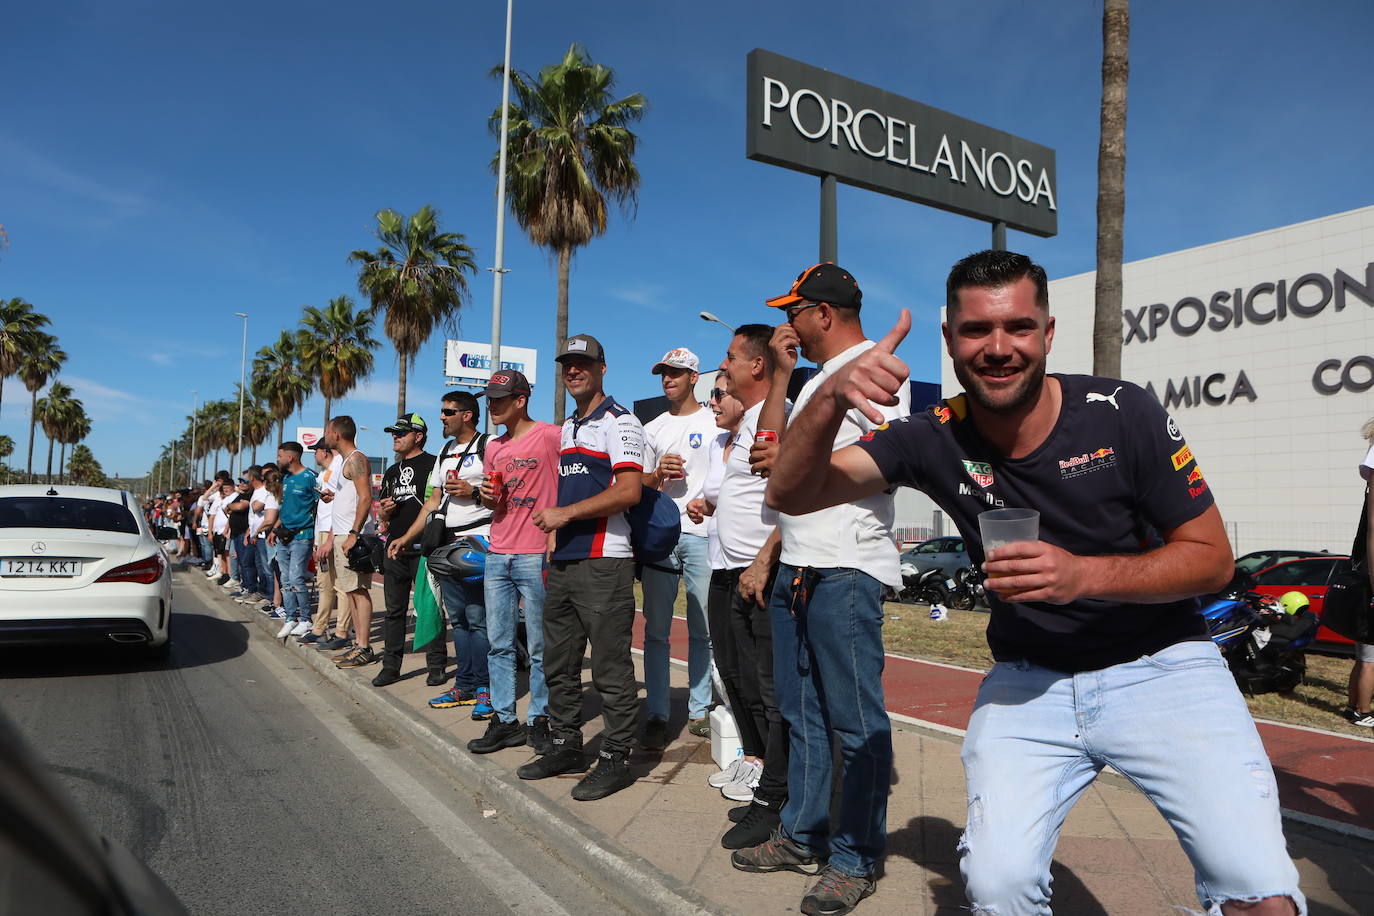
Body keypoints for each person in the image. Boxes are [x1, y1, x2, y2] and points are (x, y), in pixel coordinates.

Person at [767, 250, 1304, 915]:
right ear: (950, 340)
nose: (998, 348)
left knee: (1260, 895)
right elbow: (791, 494)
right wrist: (829, 396)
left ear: (1047, 332)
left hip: (1163, 663)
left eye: (1018, 327)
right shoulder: (932, 436)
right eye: (976, 330)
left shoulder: (1121, 412)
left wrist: (1081, 574)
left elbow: (1212, 560)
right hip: (1029, 679)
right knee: (998, 886)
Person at [730, 263, 909, 916]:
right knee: (800, 715)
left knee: (856, 722)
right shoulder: (812, 382)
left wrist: (796, 459)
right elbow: (783, 475)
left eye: (795, 312)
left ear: (824, 313)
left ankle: (855, 859)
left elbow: (886, 466)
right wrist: (782, 377)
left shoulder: (876, 369)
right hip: (799, 566)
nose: (789, 324)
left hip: (846, 567)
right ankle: (802, 834)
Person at [516, 333, 645, 802]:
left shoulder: (621, 422)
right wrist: (555, 534)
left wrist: (564, 516)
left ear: (601, 369)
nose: (573, 370)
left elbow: (629, 492)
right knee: (559, 663)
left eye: (583, 363)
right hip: (566, 562)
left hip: (605, 561)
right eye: (567, 364)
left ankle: (615, 758)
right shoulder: (569, 426)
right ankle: (566, 746)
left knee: (610, 668)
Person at [704, 326, 794, 847]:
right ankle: (765, 780)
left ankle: (777, 800)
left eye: (731, 357)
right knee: (739, 679)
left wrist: (764, 560)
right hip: (732, 571)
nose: (725, 366)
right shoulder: (748, 423)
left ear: (757, 366)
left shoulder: (776, 418)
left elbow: (793, 498)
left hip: (762, 574)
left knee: (771, 690)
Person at [467, 370, 562, 755]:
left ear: (520, 400)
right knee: (499, 644)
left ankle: (540, 718)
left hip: (535, 553)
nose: (492, 406)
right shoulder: (493, 446)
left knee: (540, 645)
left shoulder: (551, 436)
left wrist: (560, 526)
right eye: (489, 399)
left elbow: (574, 479)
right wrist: (487, 497)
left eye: (499, 399)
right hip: (498, 551)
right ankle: (505, 720)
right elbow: (496, 500)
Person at [390, 392, 493, 709]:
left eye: (448, 412)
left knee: (478, 619)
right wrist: (406, 537)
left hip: (479, 541)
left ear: (467, 415)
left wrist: (473, 492)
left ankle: (485, 689)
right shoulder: (446, 451)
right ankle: (464, 685)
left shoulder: (489, 446)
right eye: (442, 411)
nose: (442, 417)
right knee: (458, 621)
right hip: (447, 545)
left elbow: (501, 493)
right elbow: (433, 502)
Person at [640, 347, 718, 747]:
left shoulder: (714, 421)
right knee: (656, 630)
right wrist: (657, 473)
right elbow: (638, 484)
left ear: (694, 377)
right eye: (663, 373)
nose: (668, 379)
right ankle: (657, 711)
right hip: (661, 536)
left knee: (703, 630)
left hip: (702, 536)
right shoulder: (652, 428)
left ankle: (699, 709)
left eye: (675, 372)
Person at [372, 413, 437, 688]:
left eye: (401, 433)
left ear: (418, 436)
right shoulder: (391, 471)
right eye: (393, 433)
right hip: (395, 549)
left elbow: (436, 504)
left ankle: (436, 666)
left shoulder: (434, 464)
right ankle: (391, 667)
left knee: (430, 609)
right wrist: (385, 513)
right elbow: (383, 520)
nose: (395, 438)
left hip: (426, 548)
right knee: (393, 612)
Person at [323, 416, 377, 669]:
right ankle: (358, 645)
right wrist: (333, 496)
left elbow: (366, 497)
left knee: (359, 590)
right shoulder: (346, 461)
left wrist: (354, 533)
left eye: (327, 431)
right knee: (350, 591)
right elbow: (353, 495)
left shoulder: (356, 459)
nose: (325, 435)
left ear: (336, 434)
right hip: (344, 534)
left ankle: (364, 647)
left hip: (352, 535)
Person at [303, 444, 349, 648]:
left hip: (335, 530)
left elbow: (343, 502)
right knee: (324, 582)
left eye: (316, 450)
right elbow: (323, 505)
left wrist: (330, 539)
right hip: (322, 531)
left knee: (341, 584)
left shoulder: (341, 464)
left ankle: (342, 631)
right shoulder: (324, 472)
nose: (315, 454)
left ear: (325, 450)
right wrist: (317, 541)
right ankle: (319, 627)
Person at [271, 442, 319, 636]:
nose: (277, 459)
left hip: (302, 537)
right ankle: (290, 618)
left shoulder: (310, 478)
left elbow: (321, 506)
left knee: (296, 577)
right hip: (284, 536)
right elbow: (286, 508)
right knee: (285, 579)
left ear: (290, 457)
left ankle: (306, 619)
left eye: (280, 456)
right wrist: (275, 529)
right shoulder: (287, 479)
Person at [1344, 420, 1374, 728]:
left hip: (1366, 583)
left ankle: (1354, 707)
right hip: (1370, 586)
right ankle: (1362, 712)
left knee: (1364, 658)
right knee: (1369, 661)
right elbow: (1371, 533)